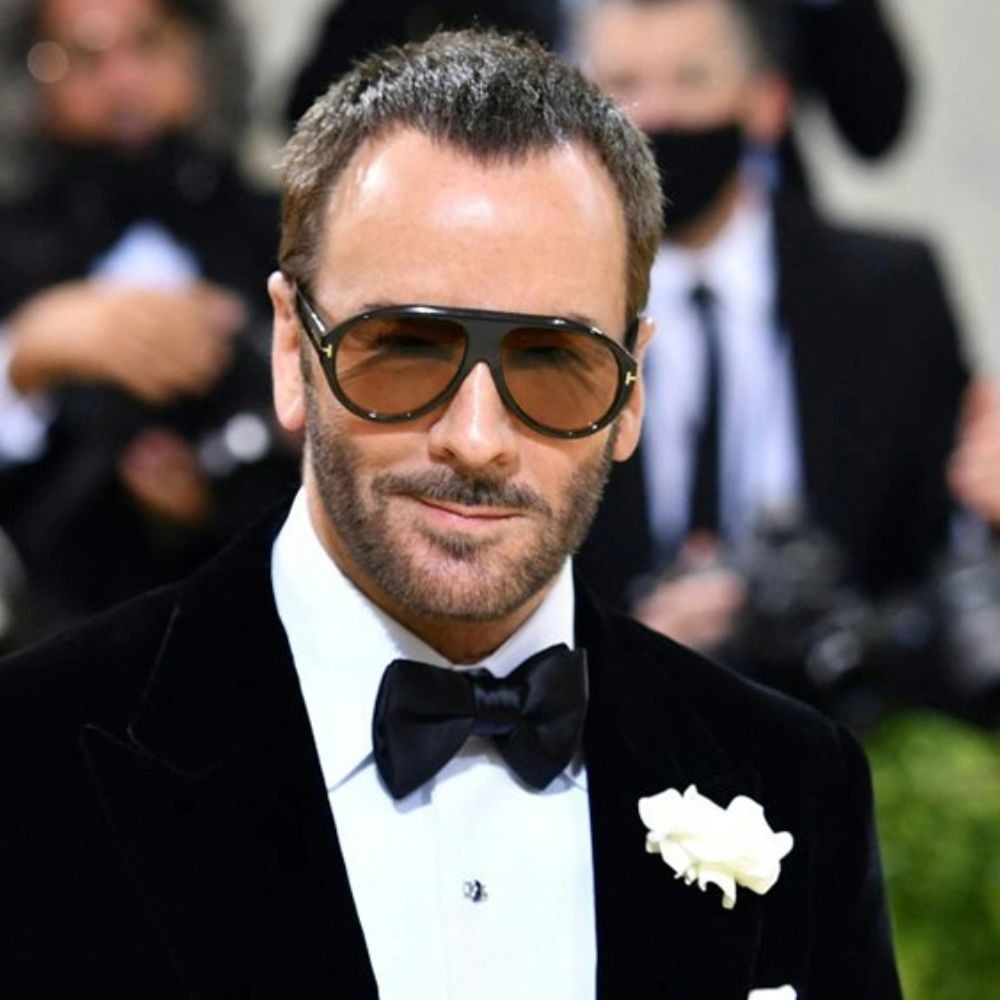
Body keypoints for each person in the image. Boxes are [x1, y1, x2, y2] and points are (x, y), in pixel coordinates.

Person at [0, 29, 901, 998]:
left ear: (632, 389)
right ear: (291, 353)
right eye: (405, 348)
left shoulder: (790, 781)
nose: (477, 439)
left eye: (553, 362)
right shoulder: (32, 762)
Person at [575, 0, 967, 669]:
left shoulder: (888, 293)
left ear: (766, 102)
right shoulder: (542, 305)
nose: (659, 115)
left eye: (692, 79)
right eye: (625, 86)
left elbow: (937, 549)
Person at [0, 0, 297, 632]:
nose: (123, 80)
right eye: (85, 56)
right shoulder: (11, 243)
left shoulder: (284, 229)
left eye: (148, 43)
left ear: (199, 49)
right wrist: (28, 352)